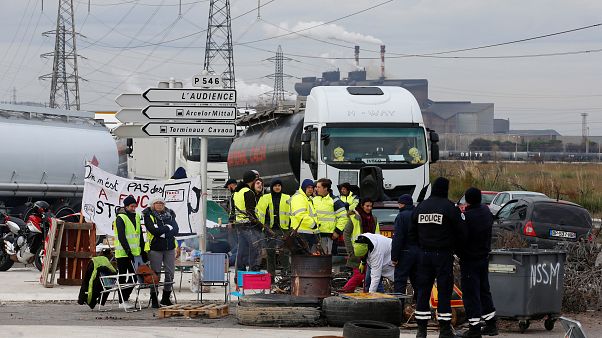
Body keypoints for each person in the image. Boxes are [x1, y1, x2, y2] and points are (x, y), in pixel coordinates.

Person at [408, 177, 465, 338]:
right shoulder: (449, 208)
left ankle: (422, 330)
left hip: (424, 255)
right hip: (443, 255)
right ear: (446, 189)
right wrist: (455, 248)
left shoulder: (421, 207)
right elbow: (461, 231)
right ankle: (445, 329)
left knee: (423, 291)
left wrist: (420, 247)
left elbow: (411, 232)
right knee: (444, 290)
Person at [456, 188, 498, 338]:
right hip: (483, 257)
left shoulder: (467, 217)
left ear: (467, 200)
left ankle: (474, 328)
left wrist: (458, 252)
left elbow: (461, 237)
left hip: (469, 259)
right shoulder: (486, 212)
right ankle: (491, 324)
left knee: (470, 293)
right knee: (484, 290)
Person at [142, 197, 179, 308]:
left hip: (169, 247)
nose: (159, 204)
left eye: (161, 203)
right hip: (155, 248)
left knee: (170, 273)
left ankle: (166, 297)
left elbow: (176, 230)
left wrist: (163, 232)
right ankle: (154, 298)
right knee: (155, 274)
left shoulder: (170, 214)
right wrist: (168, 228)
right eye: (157, 203)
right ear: (153, 205)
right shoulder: (149, 215)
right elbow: (153, 230)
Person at [340, 198, 380, 293]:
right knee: (359, 275)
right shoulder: (354, 218)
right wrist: (350, 251)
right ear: (362, 206)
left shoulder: (374, 219)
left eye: (371, 206)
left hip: (370, 252)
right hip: (357, 252)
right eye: (367, 206)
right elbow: (346, 234)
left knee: (368, 276)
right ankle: (345, 291)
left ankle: (365, 295)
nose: (369, 208)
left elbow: (377, 235)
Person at [113, 195, 146, 310]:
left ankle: (125, 297)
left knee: (135, 276)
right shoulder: (120, 218)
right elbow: (122, 237)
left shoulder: (136, 216)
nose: (134, 208)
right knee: (122, 277)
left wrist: (142, 249)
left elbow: (140, 234)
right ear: (126, 206)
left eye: (135, 206)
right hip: (123, 254)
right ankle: (121, 301)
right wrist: (128, 251)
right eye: (132, 206)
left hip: (135, 253)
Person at [256, 179, 291, 281]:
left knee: (284, 252)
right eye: (275, 185)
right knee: (270, 253)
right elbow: (260, 213)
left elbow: (291, 213)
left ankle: (285, 275)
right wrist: (264, 227)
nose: (277, 187)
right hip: (269, 229)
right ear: (271, 187)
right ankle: (271, 276)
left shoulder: (287, 198)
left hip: (283, 229)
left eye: (279, 185)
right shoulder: (265, 198)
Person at [233, 170, 264, 275]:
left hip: (239, 225)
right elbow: (250, 212)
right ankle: (253, 273)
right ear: (253, 180)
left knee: (241, 251)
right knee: (255, 249)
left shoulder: (237, 192)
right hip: (248, 225)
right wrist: (259, 226)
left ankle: (239, 275)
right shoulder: (248, 192)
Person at [391, 194, 418, 294]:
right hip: (419, 253)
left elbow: (398, 238)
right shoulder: (418, 214)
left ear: (402, 204)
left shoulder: (401, 216)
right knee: (418, 282)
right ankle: (421, 307)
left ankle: (399, 307)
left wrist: (394, 257)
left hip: (405, 253)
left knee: (400, 282)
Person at [314, 178, 348, 255]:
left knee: (329, 260)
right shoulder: (315, 199)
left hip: (330, 236)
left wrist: (337, 231)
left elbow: (343, 217)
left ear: (325, 188)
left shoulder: (335, 200)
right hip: (317, 235)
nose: (316, 189)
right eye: (316, 187)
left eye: (319, 187)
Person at [289, 179, 319, 253]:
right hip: (301, 233)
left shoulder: (306, 198)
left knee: (304, 258)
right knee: (302, 258)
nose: (310, 190)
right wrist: (313, 224)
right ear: (303, 188)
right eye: (308, 187)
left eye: (312, 187)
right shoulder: (299, 198)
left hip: (306, 232)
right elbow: (300, 214)